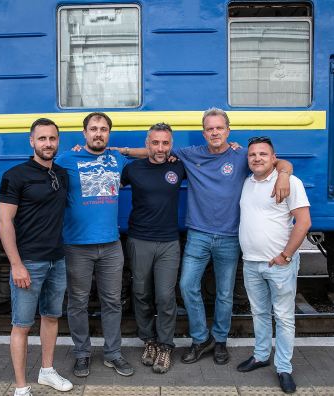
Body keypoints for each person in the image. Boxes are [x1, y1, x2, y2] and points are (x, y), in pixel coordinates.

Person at [117, 108, 292, 365]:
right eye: (210, 129)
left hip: (229, 237)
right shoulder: (190, 154)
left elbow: (279, 162)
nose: (215, 133)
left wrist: (284, 175)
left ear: (228, 130)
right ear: (204, 132)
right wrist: (119, 151)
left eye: (219, 128)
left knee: (224, 293)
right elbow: (156, 153)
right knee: (187, 286)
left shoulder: (243, 155)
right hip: (198, 234)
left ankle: (219, 340)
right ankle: (201, 339)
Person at [0, 118, 73, 396]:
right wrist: (16, 264)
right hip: (29, 262)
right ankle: (20, 387)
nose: (48, 143)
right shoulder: (15, 175)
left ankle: (47, 371)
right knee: (22, 325)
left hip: (57, 259)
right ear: (32, 141)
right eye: (42, 139)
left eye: (52, 138)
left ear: (58, 141)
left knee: (51, 317)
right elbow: (4, 222)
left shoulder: (61, 174)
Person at [56, 112, 134, 378]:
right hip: (77, 245)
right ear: (84, 133)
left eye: (103, 129)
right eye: (93, 129)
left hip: (111, 245)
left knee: (112, 301)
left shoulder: (117, 158)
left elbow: (152, 152)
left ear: (108, 134)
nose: (98, 133)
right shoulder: (66, 159)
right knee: (77, 302)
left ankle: (113, 354)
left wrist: (121, 149)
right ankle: (82, 354)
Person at [237, 136, 311, 394]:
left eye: (263, 154)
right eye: (252, 155)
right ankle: (260, 356)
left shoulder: (290, 181)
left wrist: (286, 256)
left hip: (279, 264)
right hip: (251, 263)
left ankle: (284, 368)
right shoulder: (247, 183)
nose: (257, 158)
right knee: (259, 313)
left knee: (283, 316)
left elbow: (303, 222)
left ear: (274, 157)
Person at [121, 123, 186, 374]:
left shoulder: (178, 166)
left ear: (171, 145)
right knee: (141, 294)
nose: (160, 148)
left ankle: (165, 345)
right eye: (155, 143)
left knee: (165, 297)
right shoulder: (132, 169)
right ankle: (149, 341)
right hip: (139, 240)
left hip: (169, 242)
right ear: (147, 144)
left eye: (165, 143)